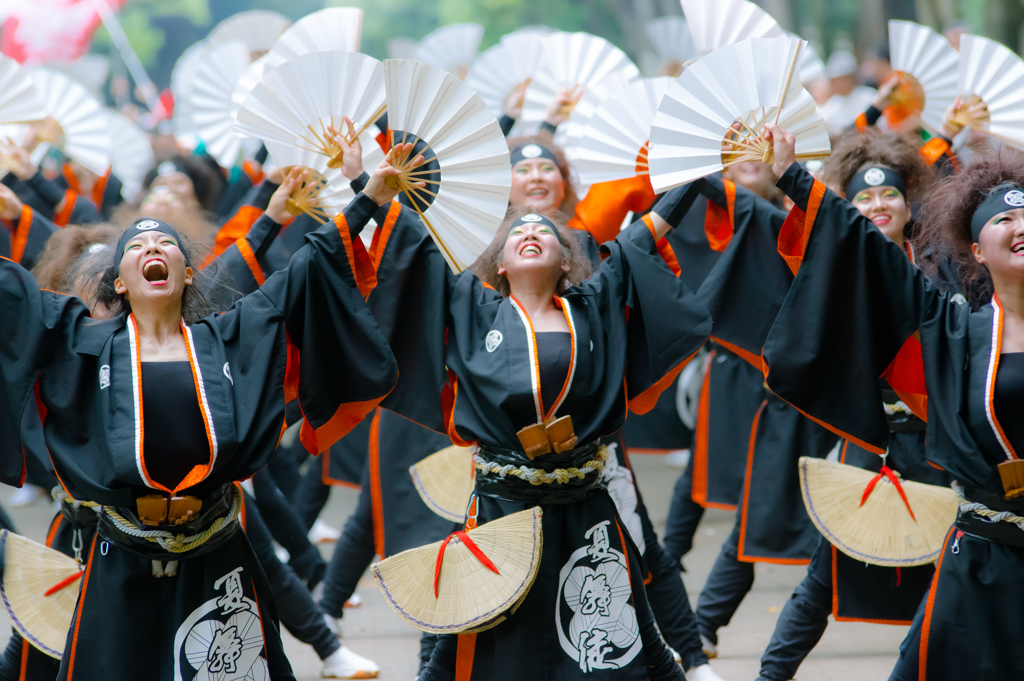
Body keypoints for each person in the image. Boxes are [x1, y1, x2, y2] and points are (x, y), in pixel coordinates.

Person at [0, 158, 401, 679]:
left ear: (189, 273)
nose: (151, 250)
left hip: (215, 547)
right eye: (136, 248)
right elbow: (13, 292)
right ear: (118, 283)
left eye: (166, 244)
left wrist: (368, 196)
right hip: (120, 550)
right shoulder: (83, 341)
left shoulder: (227, 335)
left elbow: (310, 264)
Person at [361, 140, 711, 679]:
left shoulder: (592, 305)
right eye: (518, 232)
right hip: (504, 504)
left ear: (567, 259)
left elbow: (647, 230)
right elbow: (415, 247)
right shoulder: (474, 307)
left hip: (584, 504)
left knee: (636, 637)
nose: (530, 233)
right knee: (464, 635)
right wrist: (378, 195)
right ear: (498, 264)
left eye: (544, 231)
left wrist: (700, 162)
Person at [760, 124, 1024, 680]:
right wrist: (792, 177)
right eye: (1004, 218)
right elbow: (863, 249)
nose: (1020, 226)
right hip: (979, 553)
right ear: (976, 250)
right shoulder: (957, 328)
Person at [820, 50, 877, 136]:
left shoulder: (870, 97)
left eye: (841, 79)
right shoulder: (830, 108)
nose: (838, 84)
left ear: (851, 77)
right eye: (835, 80)